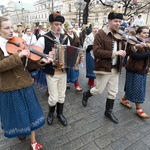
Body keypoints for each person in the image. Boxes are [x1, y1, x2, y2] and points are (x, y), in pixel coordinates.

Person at [0, 16, 53, 150]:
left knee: (31, 113)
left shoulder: (17, 42)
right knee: (18, 115)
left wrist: (41, 61)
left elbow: (27, 64)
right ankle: (21, 131)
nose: (11, 30)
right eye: (7, 28)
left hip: (25, 84)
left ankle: (33, 142)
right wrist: (18, 57)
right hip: (9, 87)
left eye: (11, 27)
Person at [81, 6, 126, 124]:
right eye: (116, 21)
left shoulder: (119, 34)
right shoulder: (101, 34)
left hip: (115, 68)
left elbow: (123, 49)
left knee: (113, 91)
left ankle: (108, 112)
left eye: (120, 22)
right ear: (109, 21)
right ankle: (86, 94)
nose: (118, 24)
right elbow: (97, 52)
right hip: (104, 68)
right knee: (99, 90)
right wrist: (115, 53)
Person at [36, 11, 69, 126]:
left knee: (62, 95)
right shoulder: (43, 38)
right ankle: (50, 113)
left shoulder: (65, 38)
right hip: (52, 72)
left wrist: (77, 59)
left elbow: (69, 54)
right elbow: (36, 56)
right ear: (50, 24)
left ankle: (60, 114)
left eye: (60, 24)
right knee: (53, 97)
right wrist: (46, 57)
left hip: (63, 72)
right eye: (56, 24)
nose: (59, 27)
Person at [120, 26, 150, 118]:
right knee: (138, 88)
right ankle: (139, 109)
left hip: (142, 69)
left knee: (131, 85)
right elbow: (134, 56)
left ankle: (124, 99)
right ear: (138, 33)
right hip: (134, 68)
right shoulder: (132, 41)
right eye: (144, 33)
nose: (146, 34)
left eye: (147, 33)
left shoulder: (145, 42)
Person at [64, 21, 83, 92]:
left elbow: (79, 44)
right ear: (66, 30)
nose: (71, 30)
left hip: (75, 55)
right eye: (69, 29)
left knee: (75, 70)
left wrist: (81, 54)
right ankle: (66, 83)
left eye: (72, 28)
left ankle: (77, 85)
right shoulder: (64, 37)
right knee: (67, 71)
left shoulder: (75, 35)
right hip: (67, 56)